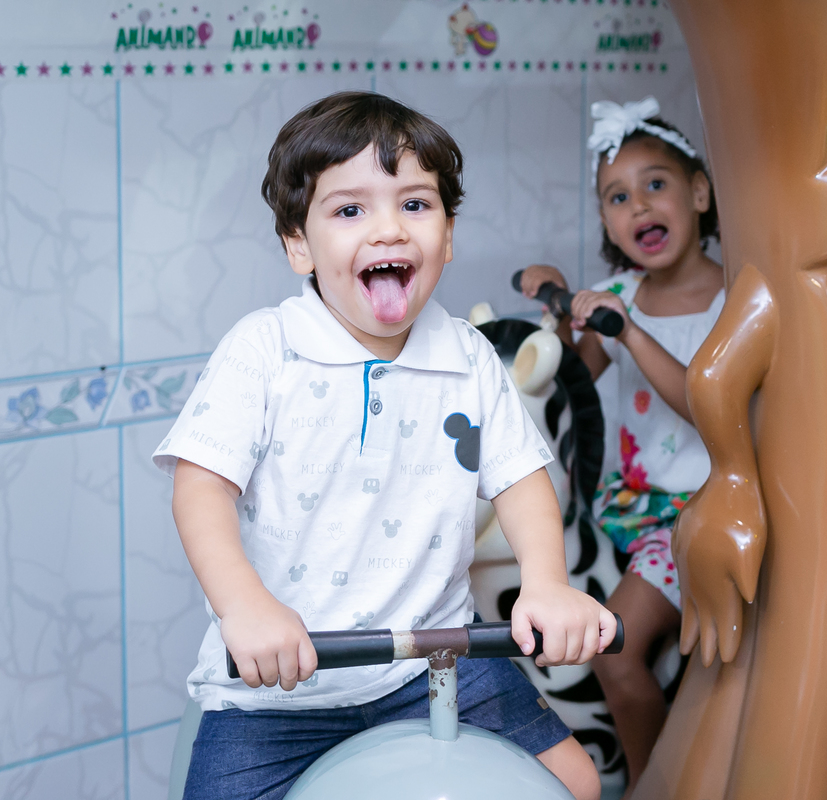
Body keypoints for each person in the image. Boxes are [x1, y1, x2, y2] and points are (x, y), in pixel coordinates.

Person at [154, 91, 616, 800]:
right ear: (298, 244)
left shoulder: (467, 356)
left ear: (448, 235)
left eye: (415, 205)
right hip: (279, 694)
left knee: (577, 782)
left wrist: (548, 583)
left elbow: (520, 478)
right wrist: (245, 606)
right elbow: (200, 488)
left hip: (438, 665)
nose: (389, 230)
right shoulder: (265, 350)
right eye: (350, 210)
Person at [519, 96, 723, 797]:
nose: (638, 205)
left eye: (655, 184)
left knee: (615, 653)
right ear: (607, 221)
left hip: (699, 517)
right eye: (617, 196)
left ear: (700, 194)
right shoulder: (618, 295)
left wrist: (628, 329)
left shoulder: (737, 301)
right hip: (626, 511)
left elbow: (709, 406)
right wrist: (559, 316)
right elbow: (570, 389)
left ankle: (649, 787)